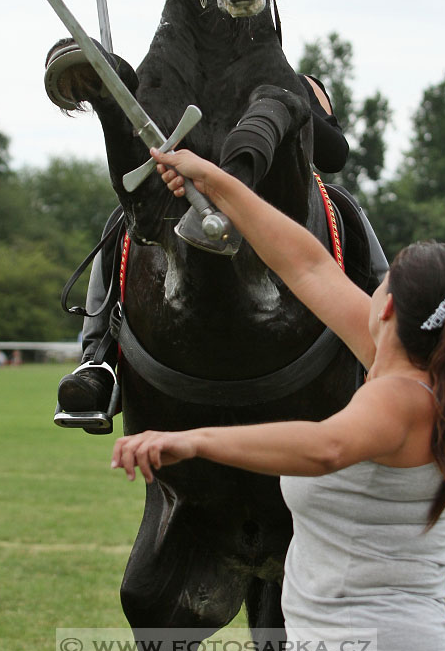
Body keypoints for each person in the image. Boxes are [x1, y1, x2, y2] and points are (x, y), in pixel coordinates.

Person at [111, 146, 445, 651]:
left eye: (383, 281)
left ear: (391, 307)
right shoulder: (396, 364)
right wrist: (214, 181)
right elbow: (307, 264)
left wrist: (193, 439)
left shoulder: (402, 399)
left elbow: (326, 446)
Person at [56, 74, 348, 419]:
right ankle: (97, 357)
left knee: (346, 209)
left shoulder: (299, 82)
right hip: (189, 193)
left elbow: (333, 155)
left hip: (277, 203)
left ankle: (389, 347)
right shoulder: (181, 72)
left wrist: (294, 102)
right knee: (122, 221)